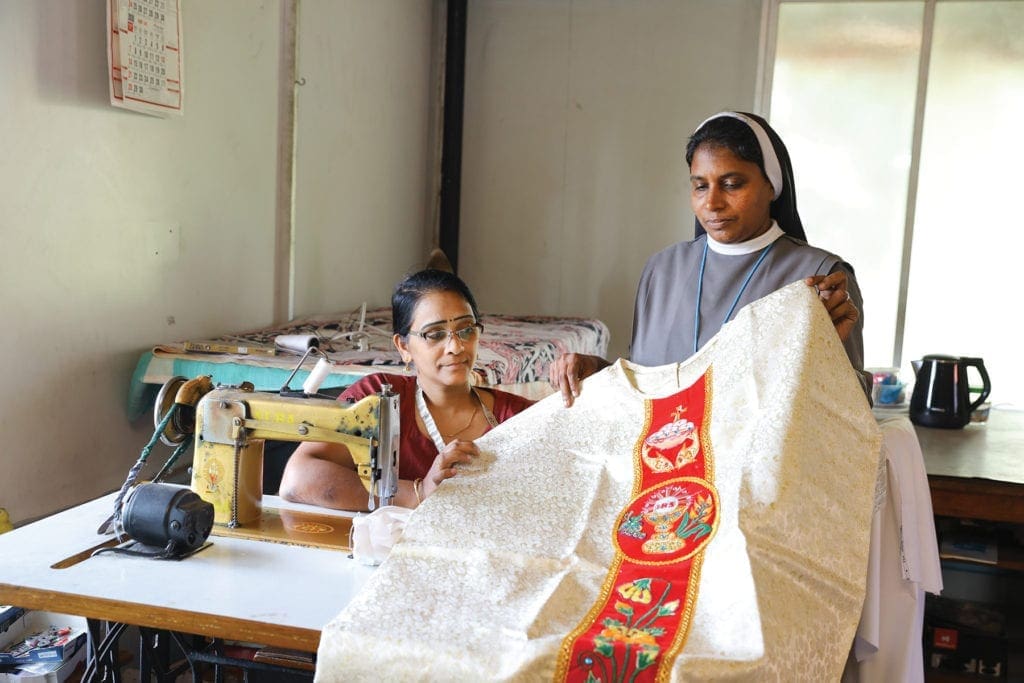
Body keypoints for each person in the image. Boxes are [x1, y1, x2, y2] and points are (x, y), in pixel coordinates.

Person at [549, 110, 867, 406]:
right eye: (700, 186)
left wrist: (824, 358)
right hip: (656, 461)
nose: (712, 203)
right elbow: (644, 388)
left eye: (731, 185)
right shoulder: (662, 270)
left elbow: (852, 412)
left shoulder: (820, 276)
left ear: (772, 185)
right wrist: (595, 371)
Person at [279, 269, 534, 511]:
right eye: (435, 334)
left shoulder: (517, 417)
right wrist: (417, 492)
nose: (456, 346)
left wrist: (575, 393)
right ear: (403, 347)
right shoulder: (377, 398)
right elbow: (297, 480)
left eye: (466, 330)